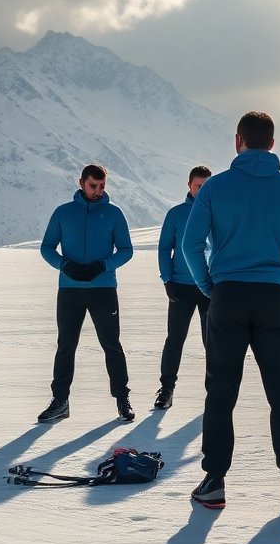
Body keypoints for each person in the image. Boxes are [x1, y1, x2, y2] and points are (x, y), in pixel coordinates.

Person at [182, 111, 280, 509]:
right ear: (272, 144)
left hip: (226, 295)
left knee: (220, 391)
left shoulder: (214, 189)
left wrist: (210, 287)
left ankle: (213, 482)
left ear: (237, 140)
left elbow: (192, 246)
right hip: (274, 297)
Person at [37, 164, 135, 423]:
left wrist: (103, 265)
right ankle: (60, 401)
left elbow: (126, 250)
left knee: (111, 345)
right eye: (93, 186)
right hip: (70, 290)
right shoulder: (63, 213)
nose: (98, 191)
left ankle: (122, 398)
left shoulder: (114, 214)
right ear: (81, 183)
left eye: (102, 186)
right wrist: (64, 265)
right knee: (66, 346)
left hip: (103, 289)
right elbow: (47, 247)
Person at [154, 165, 213, 410]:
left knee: (212, 342)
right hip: (180, 286)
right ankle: (166, 390)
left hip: (209, 287)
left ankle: (216, 391)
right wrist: (167, 279)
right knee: (174, 340)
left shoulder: (216, 212)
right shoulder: (176, 214)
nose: (202, 190)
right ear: (189, 185)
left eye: (207, 186)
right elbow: (164, 247)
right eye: (199, 185)